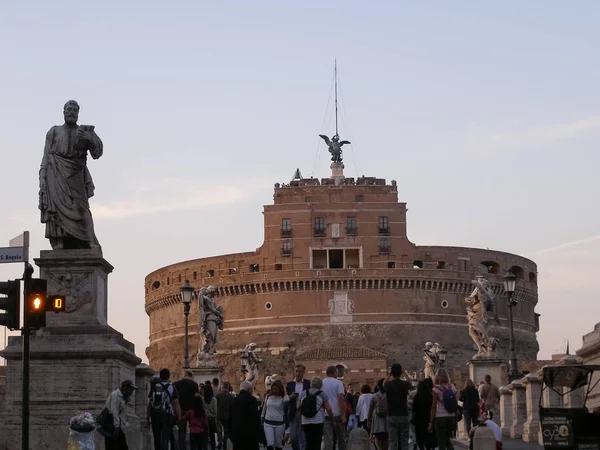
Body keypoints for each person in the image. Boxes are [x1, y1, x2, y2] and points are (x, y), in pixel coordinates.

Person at [39, 100, 104, 250]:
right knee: (56, 208)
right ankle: (59, 240)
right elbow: (45, 155)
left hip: (76, 174)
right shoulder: (53, 132)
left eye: (74, 110)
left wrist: (89, 139)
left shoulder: (85, 131)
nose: (71, 112)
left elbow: (98, 152)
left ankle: (89, 240)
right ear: (64, 111)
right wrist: (42, 176)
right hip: (55, 173)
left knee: (81, 207)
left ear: (78, 113)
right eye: (69, 109)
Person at [148, 369, 181, 450]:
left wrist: (147, 416)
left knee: (157, 438)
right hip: (167, 415)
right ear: (168, 376)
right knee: (165, 438)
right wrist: (179, 417)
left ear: (160, 376)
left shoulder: (154, 387)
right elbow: (176, 404)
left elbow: (150, 403)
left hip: (155, 415)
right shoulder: (172, 387)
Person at [299, 377, 334, 450]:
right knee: (317, 442)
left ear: (311, 384)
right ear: (321, 385)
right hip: (318, 421)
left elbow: (298, 407)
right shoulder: (322, 394)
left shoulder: (304, 393)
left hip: (305, 421)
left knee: (308, 442)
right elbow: (329, 409)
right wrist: (332, 418)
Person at [231, 381, 266, 450]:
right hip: (250, 436)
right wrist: (260, 434)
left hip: (237, 435)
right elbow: (256, 419)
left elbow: (230, 418)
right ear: (249, 389)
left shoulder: (234, 401)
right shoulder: (252, 400)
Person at [104, 379, 138, 450]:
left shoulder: (124, 398)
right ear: (125, 387)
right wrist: (117, 427)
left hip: (120, 428)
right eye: (130, 390)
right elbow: (114, 412)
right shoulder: (115, 395)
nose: (131, 392)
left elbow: (123, 414)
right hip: (113, 426)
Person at [384, 363, 411, 450]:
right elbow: (411, 382)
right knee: (404, 441)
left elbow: (383, 383)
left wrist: (389, 374)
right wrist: (405, 373)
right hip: (403, 414)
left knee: (392, 441)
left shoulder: (388, 385)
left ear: (392, 372)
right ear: (400, 373)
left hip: (391, 415)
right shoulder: (405, 384)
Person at [428, 369, 456, 450]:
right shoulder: (452, 387)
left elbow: (433, 406)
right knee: (447, 439)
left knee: (441, 442)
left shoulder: (436, 389)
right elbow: (455, 404)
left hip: (440, 417)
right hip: (451, 416)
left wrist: (430, 422)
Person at [286, 364, 311, 450]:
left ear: (304, 372)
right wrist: (291, 397)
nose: (298, 373)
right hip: (293, 412)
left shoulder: (308, 383)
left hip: (304, 412)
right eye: (296, 371)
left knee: (303, 437)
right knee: (293, 438)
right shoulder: (289, 385)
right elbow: (286, 399)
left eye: (300, 371)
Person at [322, 366, 347, 450]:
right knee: (341, 438)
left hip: (325, 414)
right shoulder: (338, 383)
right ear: (334, 372)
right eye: (337, 372)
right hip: (337, 414)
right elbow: (341, 398)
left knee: (328, 438)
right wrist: (343, 415)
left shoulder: (322, 383)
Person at [175, 370, 200, 450]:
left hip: (181, 410)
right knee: (193, 430)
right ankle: (193, 447)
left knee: (182, 431)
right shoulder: (195, 385)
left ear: (184, 374)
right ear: (191, 375)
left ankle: (182, 447)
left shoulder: (177, 384)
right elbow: (196, 399)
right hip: (191, 410)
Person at [262, 380, 289, 450]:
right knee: (270, 443)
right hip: (268, 423)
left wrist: (285, 393)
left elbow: (287, 400)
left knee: (278, 444)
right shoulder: (268, 396)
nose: (274, 391)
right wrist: (262, 417)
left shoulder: (283, 398)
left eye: (276, 389)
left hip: (279, 424)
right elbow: (265, 407)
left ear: (280, 389)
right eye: (273, 389)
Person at [412, 379, 436, 450]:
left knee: (420, 437)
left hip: (419, 420)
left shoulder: (417, 397)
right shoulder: (430, 396)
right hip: (428, 419)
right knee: (428, 438)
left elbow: (414, 409)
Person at [367, 379, 389, 450]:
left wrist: (369, 420)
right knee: (386, 437)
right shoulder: (389, 395)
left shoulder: (374, 396)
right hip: (387, 419)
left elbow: (370, 409)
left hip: (377, 419)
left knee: (377, 436)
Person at [216, 381, 235, 450]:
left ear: (222, 387)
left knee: (219, 430)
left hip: (219, 415)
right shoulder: (231, 396)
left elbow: (216, 406)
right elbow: (233, 407)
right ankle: (225, 441)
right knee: (226, 430)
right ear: (227, 388)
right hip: (228, 416)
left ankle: (220, 441)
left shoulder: (217, 395)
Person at [204, 380, 219, 450]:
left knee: (205, 436)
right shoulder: (214, 399)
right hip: (212, 419)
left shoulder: (202, 399)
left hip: (204, 419)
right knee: (212, 436)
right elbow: (215, 411)